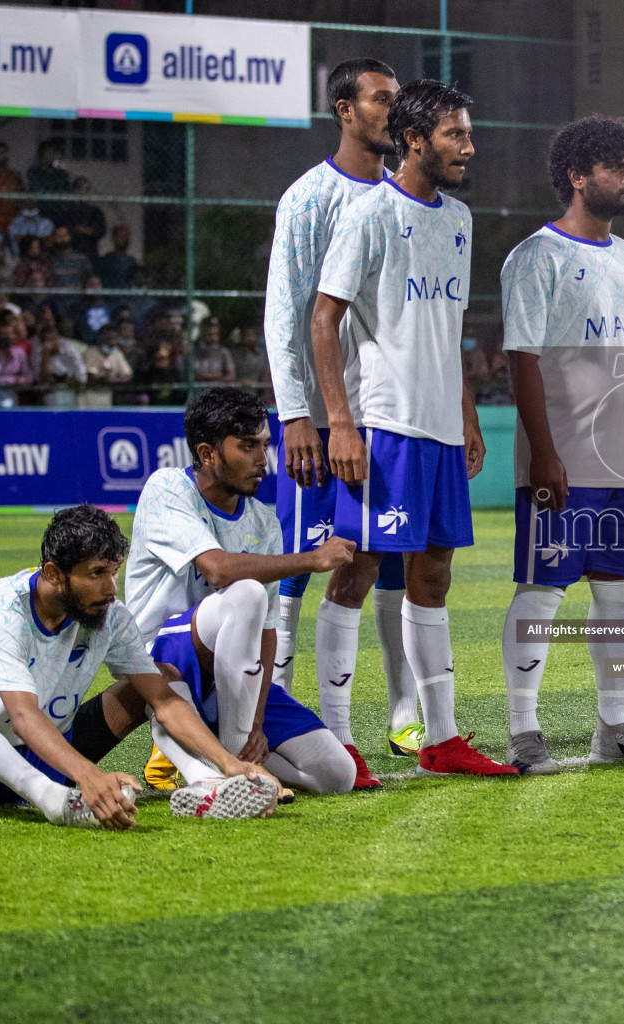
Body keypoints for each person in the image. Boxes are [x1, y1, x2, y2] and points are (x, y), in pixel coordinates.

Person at [311, 78, 511, 777]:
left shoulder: (457, 218)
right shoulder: (369, 213)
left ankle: (441, 738)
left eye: (468, 132)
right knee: (357, 570)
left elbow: (450, 328)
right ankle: (337, 739)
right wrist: (339, 420)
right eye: (456, 134)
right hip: (385, 425)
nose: (469, 146)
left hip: (441, 430)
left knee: (435, 575)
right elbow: (324, 318)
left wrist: (467, 418)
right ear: (416, 138)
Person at [497, 114, 624, 773]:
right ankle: (524, 732)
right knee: (543, 592)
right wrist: (543, 453)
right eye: (616, 166)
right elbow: (520, 360)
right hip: (564, 460)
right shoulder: (535, 257)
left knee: (616, 597)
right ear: (578, 177)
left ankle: (614, 729)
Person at [0, 504, 281, 825]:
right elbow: (22, 715)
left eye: (113, 571)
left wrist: (228, 761)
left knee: (160, 677)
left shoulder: (109, 615)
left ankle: (207, 782)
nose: (111, 588)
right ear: (53, 573)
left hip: (46, 746)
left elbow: (162, 700)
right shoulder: (1, 614)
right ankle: (51, 798)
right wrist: (89, 775)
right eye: (97, 574)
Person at [263, 59, 406, 784]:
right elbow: (286, 313)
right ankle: (273, 719)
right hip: (321, 423)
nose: (393, 110)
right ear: (346, 110)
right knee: (300, 568)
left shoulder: (404, 199)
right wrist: (296, 415)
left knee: (388, 562)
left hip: (390, 419)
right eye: (382, 99)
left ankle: (405, 718)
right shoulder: (310, 198)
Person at [124, 388, 360, 797]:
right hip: (161, 660)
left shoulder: (263, 522)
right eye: (247, 446)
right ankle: (235, 762)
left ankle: (232, 753)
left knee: (337, 774)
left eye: (265, 445)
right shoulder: (167, 489)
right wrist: (311, 559)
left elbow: (267, 631)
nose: (261, 460)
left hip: (232, 679)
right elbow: (218, 570)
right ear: (208, 452)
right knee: (246, 590)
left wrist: (257, 720)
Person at [80, 325, 133, 409]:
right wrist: (110, 378)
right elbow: (91, 377)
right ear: (100, 338)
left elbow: (127, 376)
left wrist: (109, 378)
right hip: (89, 397)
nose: (111, 342)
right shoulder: (90, 352)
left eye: (114, 339)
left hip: (107, 396)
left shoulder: (117, 354)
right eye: (108, 339)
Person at [35, 323, 86, 407]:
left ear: (57, 338)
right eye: (45, 340)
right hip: (50, 398)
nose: (48, 344)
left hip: (72, 394)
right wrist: (45, 357)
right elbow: (41, 381)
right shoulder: (38, 352)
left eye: (51, 339)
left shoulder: (70, 349)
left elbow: (81, 378)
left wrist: (62, 382)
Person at [44, 226, 92, 291]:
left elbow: (88, 280)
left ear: (69, 237)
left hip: (77, 298)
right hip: (55, 298)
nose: (62, 239)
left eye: (64, 236)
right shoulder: (47, 259)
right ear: (53, 238)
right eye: (58, 236)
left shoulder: (81, 259)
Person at [191, 315, 236, 384]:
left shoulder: (224, 352)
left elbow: (231, 376)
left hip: (217, 392)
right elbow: (194, 376)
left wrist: (212, 378)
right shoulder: (195, 352)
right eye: (210, 334)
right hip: (199, 393)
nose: (213, 337)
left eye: (215, 334)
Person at [97, 224, 139, 289]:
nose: (123, 240)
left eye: (125, 237)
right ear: (114, 238)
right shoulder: (105, 260)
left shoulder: (132, 261)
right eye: (120, 236)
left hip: (127, 296)